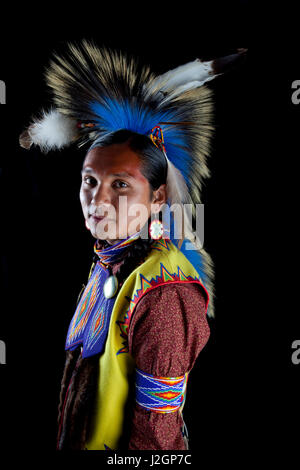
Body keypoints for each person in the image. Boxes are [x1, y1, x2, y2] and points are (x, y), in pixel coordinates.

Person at [19, 41, 246, 450]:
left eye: (120, 185)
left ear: (158, 197)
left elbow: (156, 441)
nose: (97, 200)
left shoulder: (165, 293)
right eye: (90, 181)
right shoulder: (110, 261)